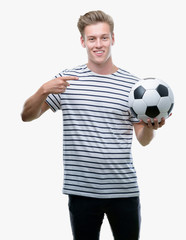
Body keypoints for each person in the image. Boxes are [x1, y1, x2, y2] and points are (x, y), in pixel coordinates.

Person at [21, 10, 165, 240]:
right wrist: (42, 90)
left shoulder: (134, 87)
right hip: (81, 193)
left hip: (123, 190)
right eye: (92, 38)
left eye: (104, 37)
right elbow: (27, 116)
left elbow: (143, 140)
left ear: (113, 39)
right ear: (83, 41)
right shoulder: (66, 80)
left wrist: (150, 126)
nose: (98, 44)